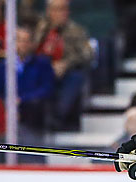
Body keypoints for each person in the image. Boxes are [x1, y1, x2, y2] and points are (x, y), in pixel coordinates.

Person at [32, 0, 93, 130]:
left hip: (66, 72)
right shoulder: (39, 28)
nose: (62, 13)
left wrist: (66, 63)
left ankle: (56, 118)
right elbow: (31, 50)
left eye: (64, 9)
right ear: (49, 11)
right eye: (57, 9)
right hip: (41, 69)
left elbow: (88, 54)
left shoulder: (76, 30)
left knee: (76, 77)